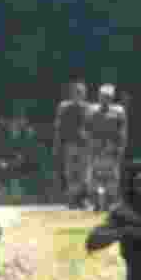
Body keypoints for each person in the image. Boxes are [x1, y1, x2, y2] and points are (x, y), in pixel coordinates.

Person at [53, 80, 96, 209]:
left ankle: (82, 199)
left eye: (81, 92)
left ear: (84, 94)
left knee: (84, 174)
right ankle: (72, 200)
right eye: (76, 92)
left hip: (85, 145)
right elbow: (58, 127)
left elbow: (93, 127)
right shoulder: (64, 107)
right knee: (71, 173)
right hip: (70, 145)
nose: (78, 94)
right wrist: (57, 145)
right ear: (71, 93)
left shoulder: (89, 108)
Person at [88, 83, 128, 211]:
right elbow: (86, 128)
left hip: (112, 148)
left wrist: (120, 147)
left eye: (108, 96)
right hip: (96, 148)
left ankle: (110, 203)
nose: (105, 99)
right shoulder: (91, 110)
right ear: (99, 96)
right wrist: (90, 144)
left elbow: (122, 131)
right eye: (103, 96)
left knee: (112, 177)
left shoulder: (119, 111)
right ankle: (95, 203)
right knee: (94, 176)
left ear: (112, 98)